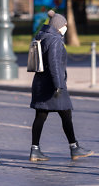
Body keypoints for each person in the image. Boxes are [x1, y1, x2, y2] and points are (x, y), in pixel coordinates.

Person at [30, 10, 93, 162]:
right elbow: (54, 64)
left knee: (41, 116)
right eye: (65, 25)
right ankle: (74, 148)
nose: (66, 27)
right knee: (66, 114)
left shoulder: (41, 36)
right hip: (53, 84)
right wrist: (59, 85)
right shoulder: (55, 40)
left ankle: (35, 150)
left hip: (40, 82)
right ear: (59, 26)